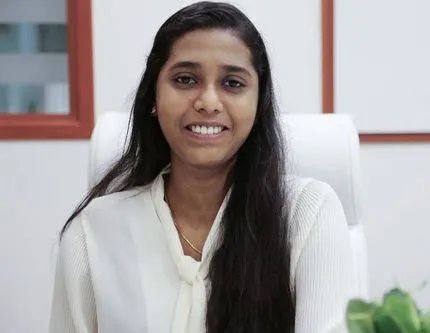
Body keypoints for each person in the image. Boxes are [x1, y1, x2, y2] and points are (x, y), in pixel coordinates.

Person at [48, 1, 357, 333]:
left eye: (233, 84)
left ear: (259, 103)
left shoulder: (307, 214)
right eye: (185, 79)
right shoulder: (92, 232)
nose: (208, 102)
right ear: (153, 96)